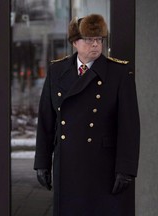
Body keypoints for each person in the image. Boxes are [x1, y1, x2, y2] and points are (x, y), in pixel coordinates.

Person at [34, 14, 140, 216]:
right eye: (89, 39)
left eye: (99, 40)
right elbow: (46, 121)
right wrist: (42, 162)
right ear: (75, 42)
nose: (95, 45)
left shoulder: (119, 73)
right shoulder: (57, 71)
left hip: (104, 167)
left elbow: (130, 127)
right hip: (67, 166)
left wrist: (126, 169)